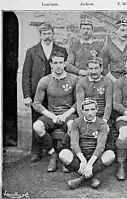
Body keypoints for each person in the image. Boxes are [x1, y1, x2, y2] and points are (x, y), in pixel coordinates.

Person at [22, 22, 68, 162]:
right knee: (37, 120)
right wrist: (27, 95)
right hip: (38, 92)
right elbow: (26, 74)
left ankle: (56, 150)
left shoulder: (61, 50)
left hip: (55, 91)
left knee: (54, 119)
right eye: (44, 34)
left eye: (49, 33)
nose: (47, 36)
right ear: (40, 35)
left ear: (53, 34)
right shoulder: (32, 51)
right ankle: (36, 151)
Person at [32, 52, 78, 172]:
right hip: (51, 115)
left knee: (72, 125)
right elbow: (36, 103)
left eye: (61, 62)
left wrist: (65, 115)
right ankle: (52, 154)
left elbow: (79, 102)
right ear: (51, 64)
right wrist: (52, 116)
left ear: (65, 64)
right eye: (55, 63)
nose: (58, 65)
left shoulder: (74, 79)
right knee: (37, 126)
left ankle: (66, 157)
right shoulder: (45, 81)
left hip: (68, 114)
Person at [59, 98, 115, 189]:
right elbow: (74, 143)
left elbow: (100, 147)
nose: (90, 113)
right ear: (82, 111)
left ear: (97, 110)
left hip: (95, 157)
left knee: (110, 155)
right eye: (87, 110)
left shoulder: (102, 124)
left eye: (92, 109)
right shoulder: (76, 122)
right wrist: (83, 160)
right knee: (63, 154)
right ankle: (90, 177)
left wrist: (89, 164)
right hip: (80, 155)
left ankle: (81, 179)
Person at [75, 55, 115, 151]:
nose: (93, 71)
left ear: (101, 68)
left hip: (101, 115)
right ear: (87, 69)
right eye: (91, 68)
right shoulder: (81, 82)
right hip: (87, 115)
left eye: (96, 68)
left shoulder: (107, 81)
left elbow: (108, 103)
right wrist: (84, 120)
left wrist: (104, 120)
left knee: (106, 129)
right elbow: (80, 104)